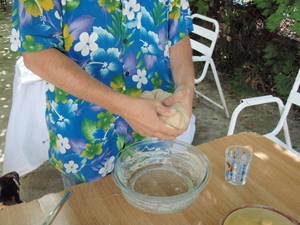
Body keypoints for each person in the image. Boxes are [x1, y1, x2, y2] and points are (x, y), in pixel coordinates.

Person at [10, 0, 195, 185]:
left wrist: (186, 89)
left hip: (153, 132)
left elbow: (178, 36)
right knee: (89, 212)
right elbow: (36, 53)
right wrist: (124, 107)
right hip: (83, 138)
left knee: (151, 206)